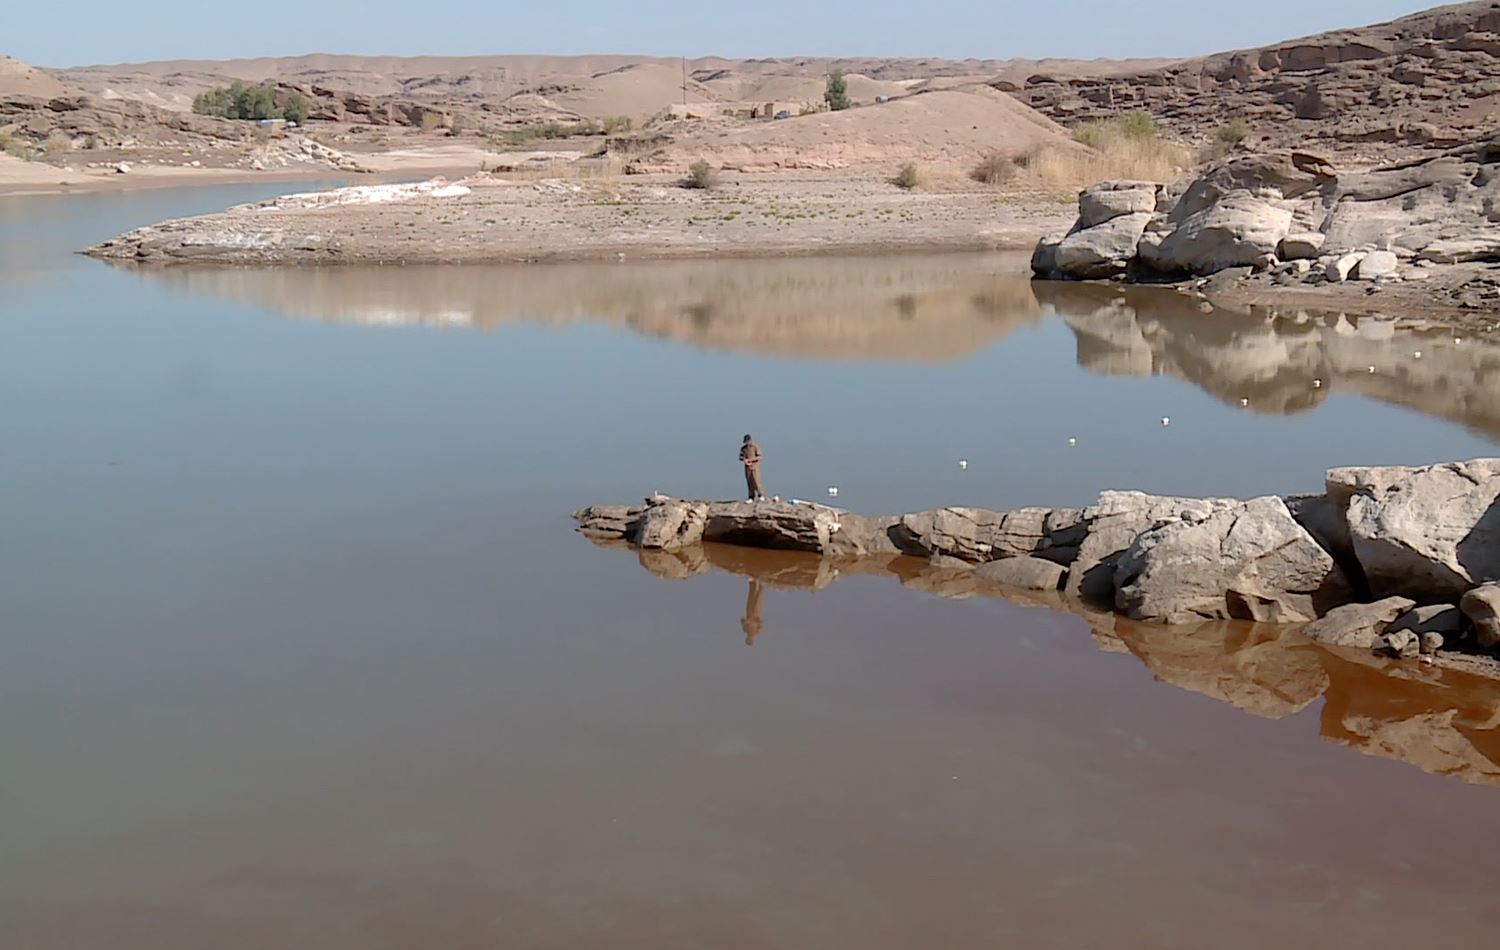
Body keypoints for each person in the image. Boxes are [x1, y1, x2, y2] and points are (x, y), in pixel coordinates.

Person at [739, 434, 765, 501]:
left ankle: (761, 495)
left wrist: (752, 459)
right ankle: (751, 496)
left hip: (755, 467)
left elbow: (760, 456)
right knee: (749, 482)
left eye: (748, 441)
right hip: (747, 467)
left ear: (750, 440)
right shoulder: (743, 448)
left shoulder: (755, 447)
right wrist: (744, 459)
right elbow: (740, 456)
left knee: (756, 481)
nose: (747, 443)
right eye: (746, 442)